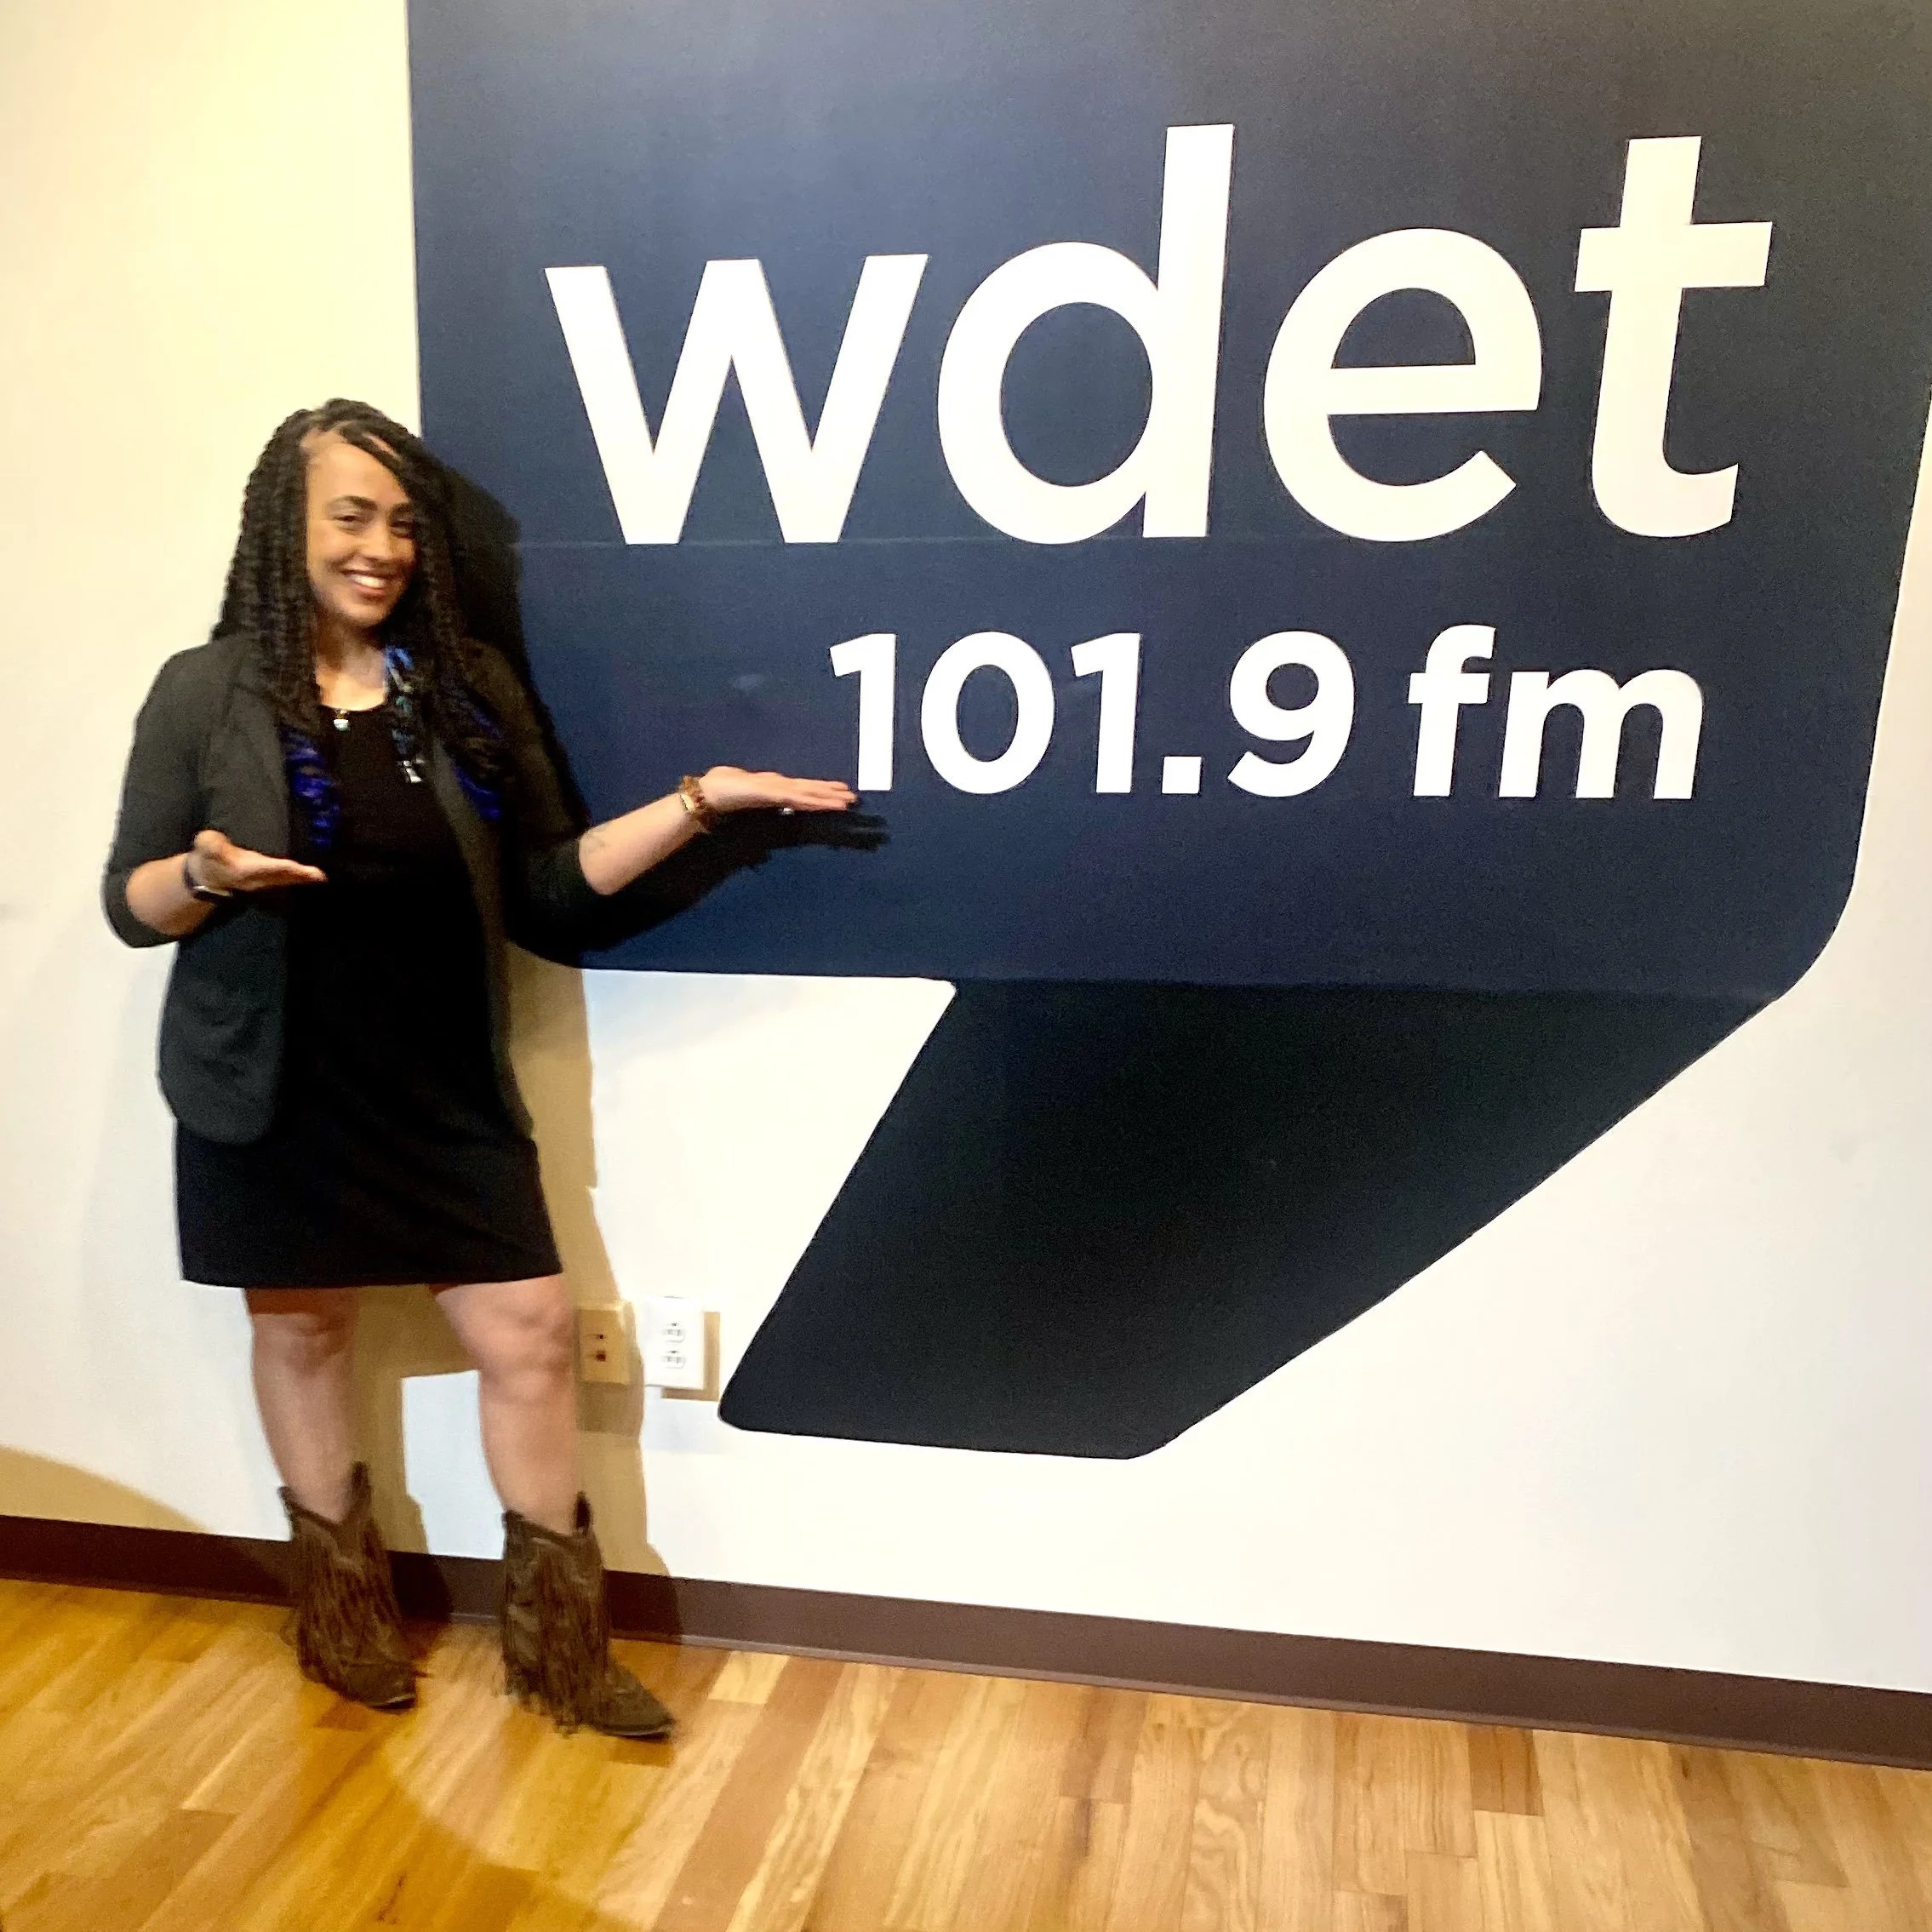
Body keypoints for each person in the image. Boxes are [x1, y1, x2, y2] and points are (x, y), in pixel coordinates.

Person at [102, 398, 855, 1734]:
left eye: (401, 523)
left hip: (441, 1082)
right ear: (287, 524)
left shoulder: (462, 695)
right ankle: (341, 1614)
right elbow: (130, 899)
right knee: (299, 1326)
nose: (380, 546)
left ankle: (557, 1648)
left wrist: (701, 802)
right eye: (350, 515)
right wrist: (206, 871)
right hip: (268, 1078)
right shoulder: (198, 689)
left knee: (530, 1334)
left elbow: (550, 896)